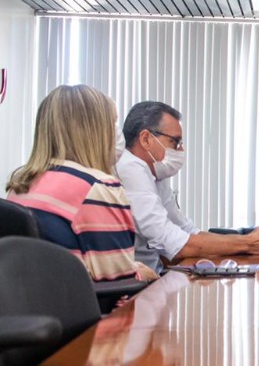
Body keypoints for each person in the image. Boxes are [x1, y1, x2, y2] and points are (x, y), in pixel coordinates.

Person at [117, 101, 259, 272]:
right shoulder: (130, 168)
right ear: (146, 139)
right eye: (175, 142)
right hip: (139, 286)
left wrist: (249, 240)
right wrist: (249, 242)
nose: (180, 150)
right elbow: (172, 242)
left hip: (153, 277)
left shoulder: (155, 174)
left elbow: (187, 230)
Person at [6, 85, 156, 282]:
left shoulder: (20, 184)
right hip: (83, 301)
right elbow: (120, 281)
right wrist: (143, 275)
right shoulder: (98, 187)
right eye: (112, 122)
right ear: (93, 130)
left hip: (32, 298)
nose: (117, 132)